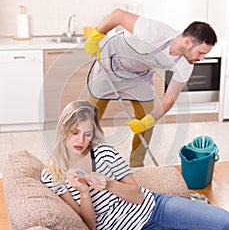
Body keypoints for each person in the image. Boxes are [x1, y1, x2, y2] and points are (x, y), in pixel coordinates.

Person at [41, 100, 228, 230]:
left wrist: (109, 184)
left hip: (155, 206)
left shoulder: (104, 152)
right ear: (63, 129)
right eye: (74, 132)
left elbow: (138, 195)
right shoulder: (54, 175)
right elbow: (89, 227)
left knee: (225, 222)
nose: (81, 140)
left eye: (87, 134)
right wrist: (84, 192)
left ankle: (180, 227)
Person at [84, 9, 217, 167]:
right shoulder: (154, 31)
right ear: (187, 42)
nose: (202, 58)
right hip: (110, 62)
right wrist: (96, 36)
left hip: (140, 75)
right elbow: (118, 15)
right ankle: (85, 160)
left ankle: (136, 166)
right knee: (89, 117)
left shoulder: (186, 64)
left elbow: (169, 99)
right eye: (201, 53)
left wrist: (149, 120)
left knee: (147, 118)